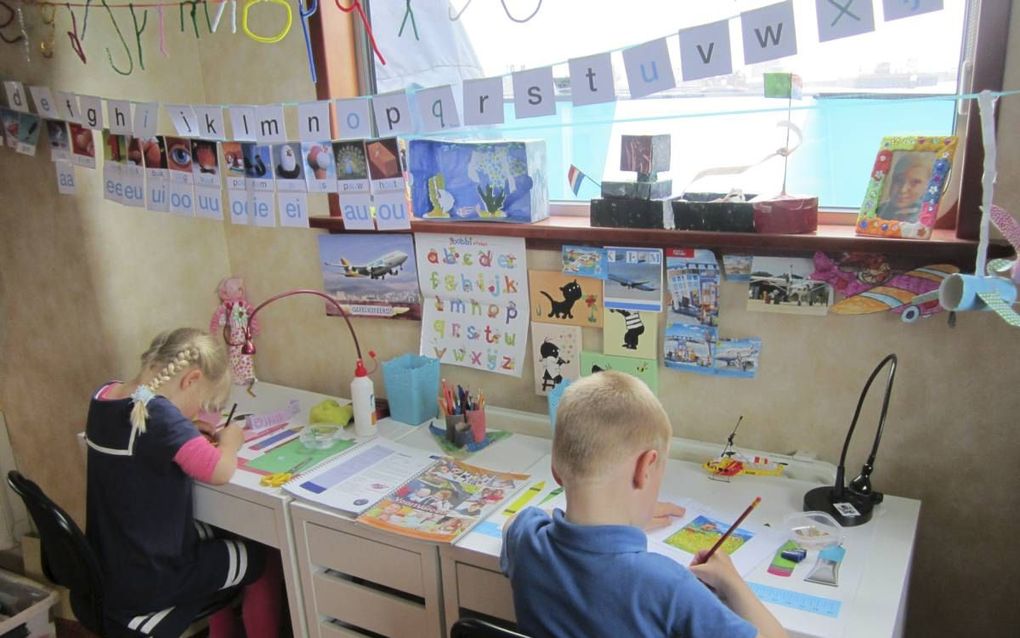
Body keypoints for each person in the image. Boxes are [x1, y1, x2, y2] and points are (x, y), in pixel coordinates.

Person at [500, 371, 786, 638]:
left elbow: (512, 523)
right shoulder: (669, 587)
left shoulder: (526, 540)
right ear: (645, 469)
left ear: (555, 469)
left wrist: (601, 519)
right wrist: (732, 583)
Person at [84, 328, 282, 638]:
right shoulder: (161, 417)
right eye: (202, 401)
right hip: (155, 575)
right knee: (262, 554)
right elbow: (219, 471)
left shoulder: (106, 395)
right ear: (190, 380)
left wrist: (185, 426)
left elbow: (146, 439)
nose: (200, 411)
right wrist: (231, 440)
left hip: (114, 559)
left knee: (217, 534)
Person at [876, 154, 933, 222]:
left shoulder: (926, 216)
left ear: (927, 185)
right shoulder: (879, 211)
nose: (903, 190)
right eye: (899, 180)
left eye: (915, 182)